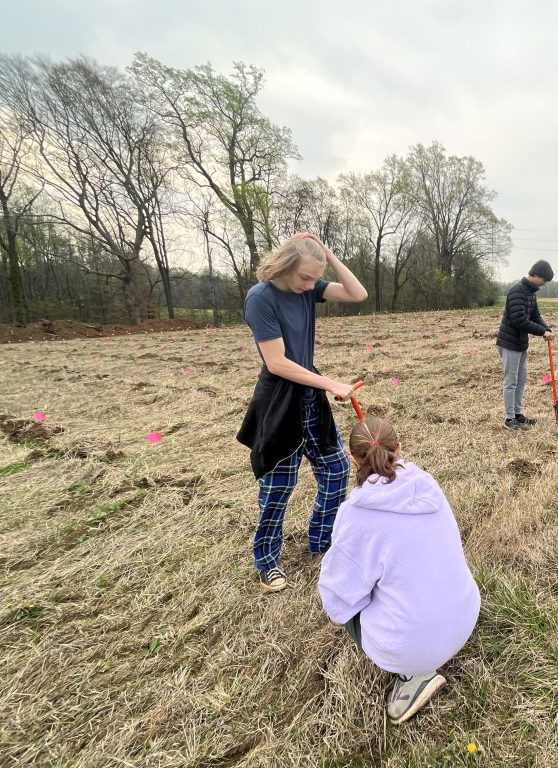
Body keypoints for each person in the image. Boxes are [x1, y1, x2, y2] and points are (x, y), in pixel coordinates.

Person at [318, 417, 481, 725]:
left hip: (418, 648)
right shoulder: (427, 484)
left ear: (352, 458)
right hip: (467, 614)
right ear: (400, 449)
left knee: (345, 601)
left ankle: (413, 675)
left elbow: (337, 598)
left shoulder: (355, 516)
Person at [236, 233, 368, 593]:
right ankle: (266, 560)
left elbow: (358, 294)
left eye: (315, 279)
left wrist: (326, 252)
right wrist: (330, 383)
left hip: (311, 398)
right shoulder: (260, 297)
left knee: (337, 469)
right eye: (305, 278)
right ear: (285, 266)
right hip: (280, 401)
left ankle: (322, 541)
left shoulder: (307, 289)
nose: (311, 286)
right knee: (279, 485)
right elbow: (277, 363)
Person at [496, 260, 554, 430]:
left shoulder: (530, 293)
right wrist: (542, 332)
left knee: (521, 379)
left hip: (521, 343)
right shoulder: (517, 291)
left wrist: (546, 328)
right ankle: (509, 418)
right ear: (535, 275)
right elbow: (519, 320)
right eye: (544, 280)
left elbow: (535, 315)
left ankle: (518, 414)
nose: (544, 284)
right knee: (511, 381)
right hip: (509, 343)